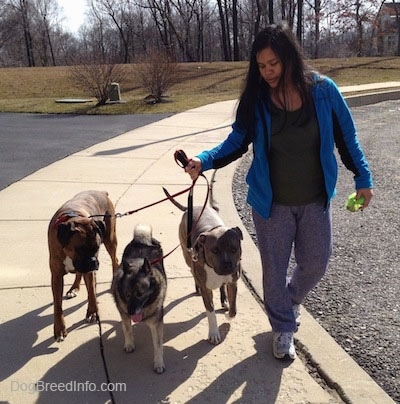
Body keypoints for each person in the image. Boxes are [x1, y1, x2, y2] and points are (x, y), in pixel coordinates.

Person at [183, 22, 374, 360]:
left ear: (289, 58)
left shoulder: (324, 91)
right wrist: (204, 160)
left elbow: (348, 139)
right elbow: (237, 141)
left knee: (316, 262)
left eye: (273, 64)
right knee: (273, 269)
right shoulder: (257, 100)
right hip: (272, 205)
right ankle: (284, 327)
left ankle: (289, 300)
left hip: (315, 198)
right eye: (261, 66)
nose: (268, 72)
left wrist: (363, 178)